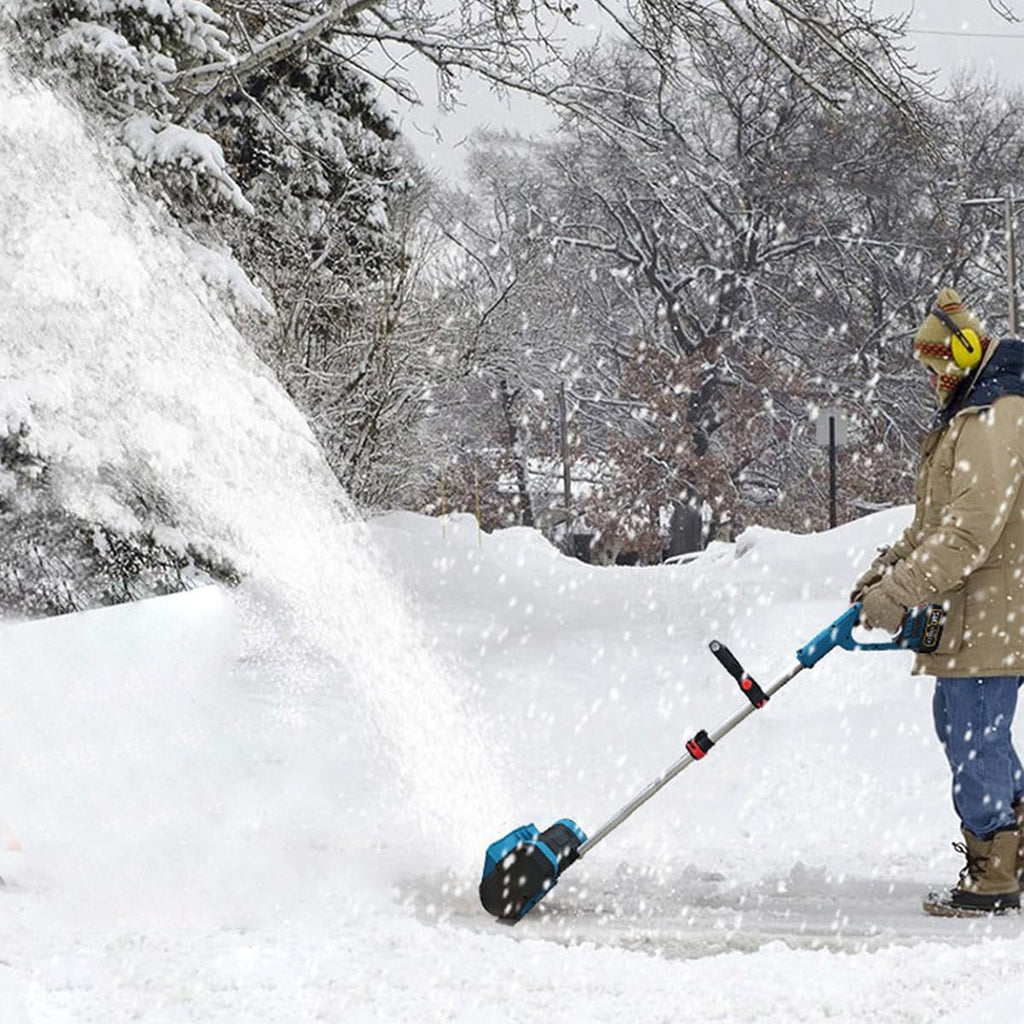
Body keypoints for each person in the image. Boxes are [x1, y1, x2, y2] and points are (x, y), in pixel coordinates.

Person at [850, 288, 1024, 917]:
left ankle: (993, 877)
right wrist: (887, 570)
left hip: (994, 607)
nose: (931, 378)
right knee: (964, 727)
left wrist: (901, 593)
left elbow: (970, 529)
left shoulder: (993, 417)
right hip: (977, 609)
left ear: (967, 354)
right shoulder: (970, 412)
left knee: (975, 736)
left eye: (937, 365)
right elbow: (936, 521)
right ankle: (1013, 844)